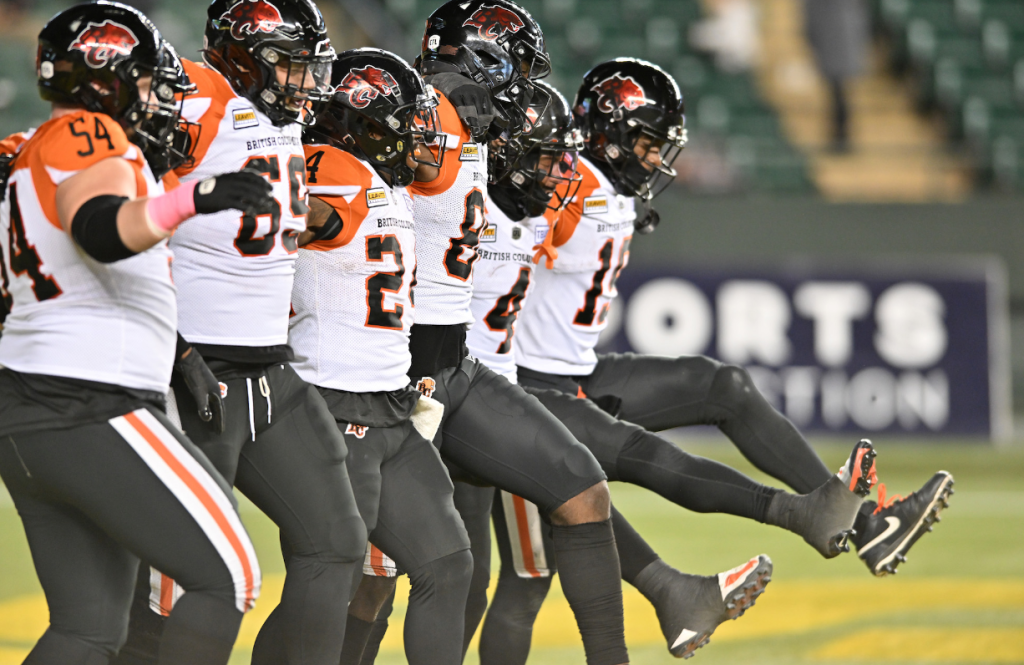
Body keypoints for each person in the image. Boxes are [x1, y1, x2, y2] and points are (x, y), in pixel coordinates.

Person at [470, 80, 879, 663]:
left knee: (584, 500)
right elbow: (502, 248)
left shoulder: (590, 188)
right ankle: (767, 537)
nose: (657, 159)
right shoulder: (566, 188)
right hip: (502, 386)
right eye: (645, 143)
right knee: (513, 570)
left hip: (552, 377)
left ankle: (787, 538)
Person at [347, 3, 631, 665]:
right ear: (481, 56)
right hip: (396, 362)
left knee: (579, 488)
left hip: (457, 362)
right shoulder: (418, 110)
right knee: (372, 579)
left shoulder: (472, 120)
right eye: (521, 67)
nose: (527, 85)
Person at [0, 2, 270, 662]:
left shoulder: (36, 150)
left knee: (89, 629)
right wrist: (194, 199)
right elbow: (98, 228)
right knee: (230, 571)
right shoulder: (87, 133)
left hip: (38, 405)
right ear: (105, 82)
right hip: (86, 399)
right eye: (148, 84)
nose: (159, 102)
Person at [113, 1, 369, 664]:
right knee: (178, 581)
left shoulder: (276, 117)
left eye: (308, 62)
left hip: (273, 372)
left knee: (337, 542)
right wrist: (173, 346)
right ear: (239, 53)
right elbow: (125, 206)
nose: (304, 78)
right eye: (287, 60)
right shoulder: (199, 96)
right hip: (199, 367)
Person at [292, 47, 476, 665]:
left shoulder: (378, 180)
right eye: (406, 121)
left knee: (447, 564)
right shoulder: (329, 166)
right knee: (326, 584)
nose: (419, 137)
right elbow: (292, 215)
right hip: (333, 401)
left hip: (390, 406)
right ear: (362, 119)